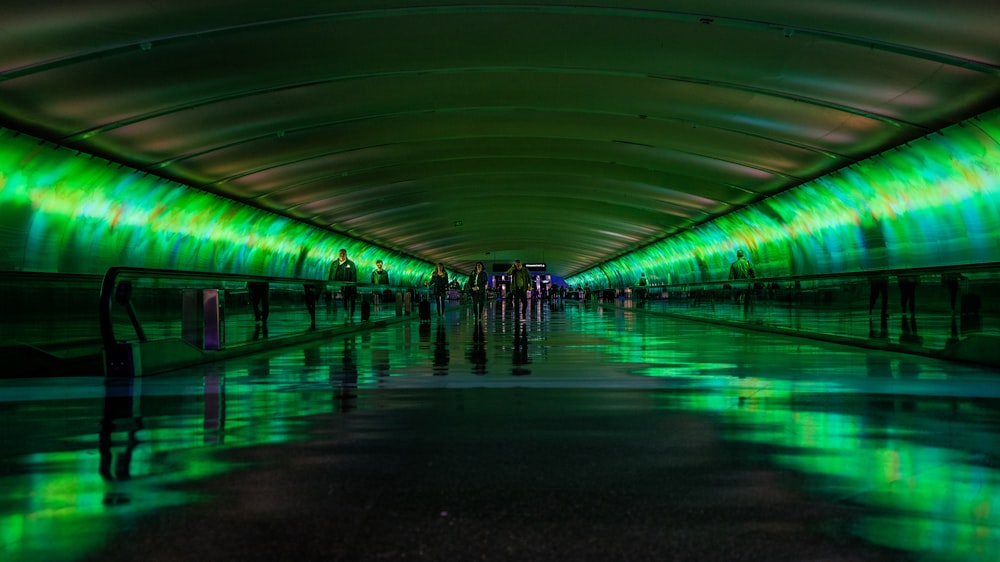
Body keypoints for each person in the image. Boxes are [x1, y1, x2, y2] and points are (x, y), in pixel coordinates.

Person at [331, 248, 358, 320]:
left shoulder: (351, 264)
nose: (342, 255)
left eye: (343, 254)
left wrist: (353, 287)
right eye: (341, 253)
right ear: (338, 254)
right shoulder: (334, 264)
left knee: (347, 300)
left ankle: (349, 314)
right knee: (336, 301)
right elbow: (331, 275)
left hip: (347, 287)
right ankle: (335, 315)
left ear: (346, 254)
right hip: (336, 286)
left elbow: (354, 276)